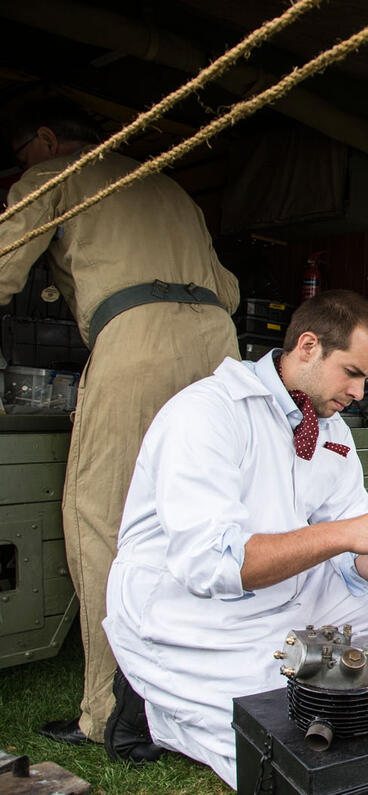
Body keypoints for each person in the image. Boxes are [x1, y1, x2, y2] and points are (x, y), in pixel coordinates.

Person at [102, 290, 368, 786]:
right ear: (307, 346)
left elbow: (349, 554)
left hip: (288, 589)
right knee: (285, 708)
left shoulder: (332, 430)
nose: (361, 390)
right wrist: (348, 532)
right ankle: (146, 704)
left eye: (367, 377)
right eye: (351, 372)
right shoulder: (207, 414)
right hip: (191, 604)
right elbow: (215, 565)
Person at [1, 98, 240, 746]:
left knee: (102, 517)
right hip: (219, 342)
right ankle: (204, 688)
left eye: (21, 159)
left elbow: (2, 266)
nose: (21, 170)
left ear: (45, 139)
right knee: (203, 516)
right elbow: (230, 286)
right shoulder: (167, 181)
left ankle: (111, 711)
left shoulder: (58, 173)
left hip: (139, 342)